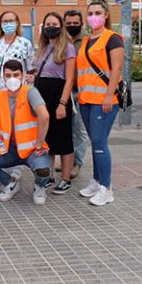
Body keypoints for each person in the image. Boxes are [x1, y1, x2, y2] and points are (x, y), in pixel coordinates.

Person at [0, 60, 50, 205]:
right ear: (3, 77)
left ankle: (39, 187)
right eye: (8, 75)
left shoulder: (30, 92)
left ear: (22, 75)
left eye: (16, 75)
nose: (12, 79)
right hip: (10, 149)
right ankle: (11, 183)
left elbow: (44, 116)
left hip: (32, 149)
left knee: (43, 171)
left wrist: (39, 143)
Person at [76, 0, 124, 206]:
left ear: (106, 16)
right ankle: (96, 181)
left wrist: (109, 96)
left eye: (98, 13)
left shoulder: (112, 38)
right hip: (86, 99)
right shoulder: (86, 40)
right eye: (90, 13)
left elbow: (117, 69)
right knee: (95, 142)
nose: (93, 17)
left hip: (104, 100)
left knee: (99, 142)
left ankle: (106, 188)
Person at [0, 11, 35, 184]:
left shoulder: (25, 44)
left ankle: (16, 168)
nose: (8, 24)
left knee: (15, 129)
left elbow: (30, 68)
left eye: (11, 20)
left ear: (17, 23)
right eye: (5, 21)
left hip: (16, 94)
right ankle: (1, 164)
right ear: (0, 24)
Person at [34, 12, 76, 194]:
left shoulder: (68, 48)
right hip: (42, 96)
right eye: (47, 24)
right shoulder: (43, 48)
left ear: (61, 27)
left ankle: (66, 179)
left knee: (64, 139)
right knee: (48, 138)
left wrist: (62, 103)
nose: (51, 27)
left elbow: (70, 79)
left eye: (54, 24)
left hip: (58, 96)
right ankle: (49, 176)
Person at [63, 10, 89, 179]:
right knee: (66, 129)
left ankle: (77, 163)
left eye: (75, 23)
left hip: (81, 91)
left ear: (81, 24)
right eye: (69, 23)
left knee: (79, 129)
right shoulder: (61, 40)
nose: (72, 26)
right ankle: (67, 160)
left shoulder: (87, 41)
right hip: (64, 91)